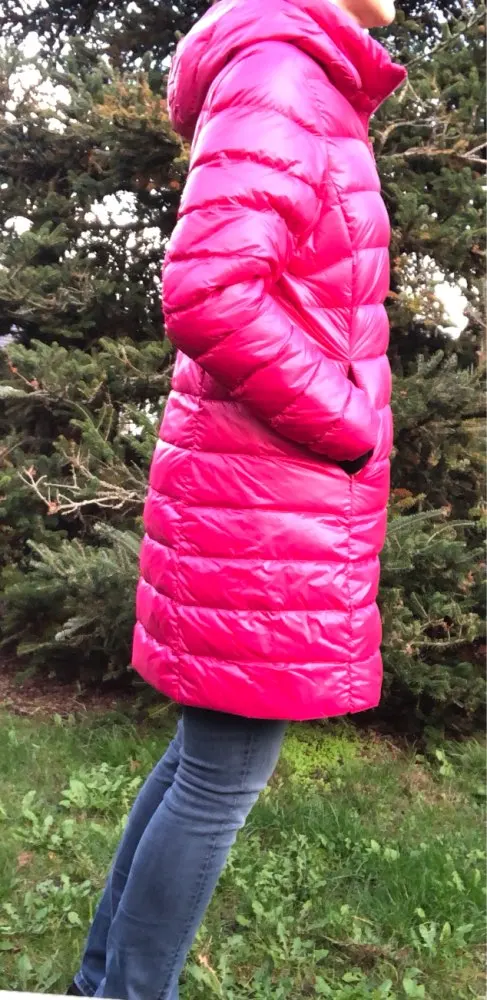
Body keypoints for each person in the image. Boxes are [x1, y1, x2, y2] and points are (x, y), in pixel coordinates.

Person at [69, 0, 406, 996]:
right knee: (220, 775)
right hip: (264, 497)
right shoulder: (281, 75)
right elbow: (209, 291)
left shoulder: (293, 75)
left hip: (259, 493)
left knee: (205, 761)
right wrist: (348, 421)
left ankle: (105, 983)